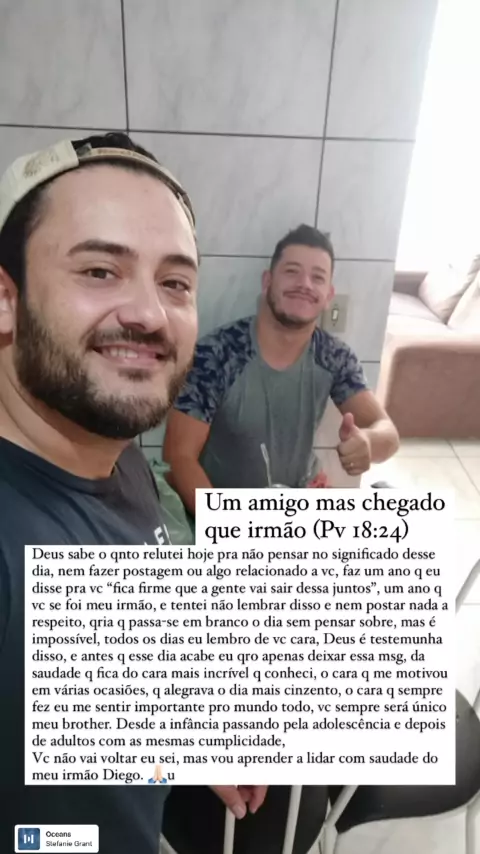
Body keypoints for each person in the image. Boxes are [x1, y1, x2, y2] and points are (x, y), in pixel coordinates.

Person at [0, 132, 266, 854]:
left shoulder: (111, 452)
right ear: (6, 300)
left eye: (175, 283)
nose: (149, 313)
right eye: (100, 270)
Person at [164, 224, 400, 515]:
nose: (304, 284)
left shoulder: (333, 357)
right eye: (292, 271)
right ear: (267, 282)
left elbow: (388, 433)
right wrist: (227, 524)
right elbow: (178, 457)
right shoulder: (217, 354)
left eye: (317, 277)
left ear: (328, 295)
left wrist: (369, 443)